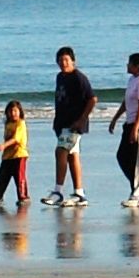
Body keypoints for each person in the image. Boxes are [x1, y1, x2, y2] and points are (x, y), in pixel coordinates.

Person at [47, 47, 96, 205]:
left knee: (60, 151)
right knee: (72, 156)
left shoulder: (78, 77)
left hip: (74, 123)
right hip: (62, 123)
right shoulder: (60, 77)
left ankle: (58, 191)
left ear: (73, 61)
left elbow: (92, 99)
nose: (63, 63)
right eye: (60, 60)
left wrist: (82, 120)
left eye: (66, 60)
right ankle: (79, 193)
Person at [110, 51, 139, 207]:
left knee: (138, 159)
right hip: (130, 121)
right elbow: (126, 103)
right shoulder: (132, 80)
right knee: (122, 156)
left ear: (137, 66)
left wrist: (136, 128)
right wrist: (115, 119)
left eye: (130, 63)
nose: (127, 65)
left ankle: (137, 194)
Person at [0, 98, 30, 212]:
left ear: (20, 112)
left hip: (19, 154)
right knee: (2, 177)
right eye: (10, 111)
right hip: (8, 156)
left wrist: (3, 145)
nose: (13, 113)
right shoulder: (8, 124)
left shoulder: (20, 124)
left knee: (19, 178)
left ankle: (23, 197)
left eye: (15, 111)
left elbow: (16, 139)